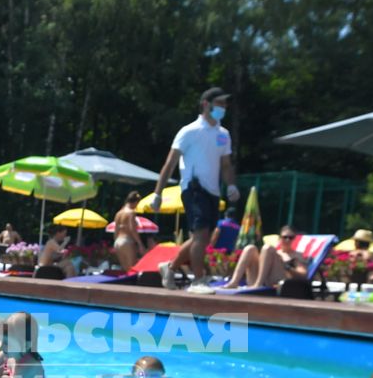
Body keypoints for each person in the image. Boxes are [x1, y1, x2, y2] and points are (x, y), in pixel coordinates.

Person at [154, 87, 240, 286]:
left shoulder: (223, 134)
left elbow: (226, 164)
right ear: (205, 105)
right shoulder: (189, 131)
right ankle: (198, 281)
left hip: (213, 191)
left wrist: (231, 186)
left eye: (225, 103)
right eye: (219, 103)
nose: (223, 107)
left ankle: (171, 267)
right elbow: (170, 163)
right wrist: (157, 193)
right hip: (193, 188)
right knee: (201, 235)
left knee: (202, 238)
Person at [224, 226, 306, 291]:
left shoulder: (296, 255)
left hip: (277, 283)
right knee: (250, 248)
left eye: (290, 237)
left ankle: (258, 284)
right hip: (257, 279)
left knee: (267, 248)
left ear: (294, 239)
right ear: (280, 238)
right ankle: (234, 282)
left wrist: (287, 267)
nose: (287, 240)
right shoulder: (275, 253)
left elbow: (303, 274)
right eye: (285, 237)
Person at [111, 190, 145, 272]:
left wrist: (115, 243)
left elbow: (116, 230)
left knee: (125, 270)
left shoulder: (118, 213)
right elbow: (132, 228)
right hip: (127, 241)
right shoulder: (131, 212)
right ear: (136, 202)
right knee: (132, 268)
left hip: (118, 242)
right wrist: (140, 243)